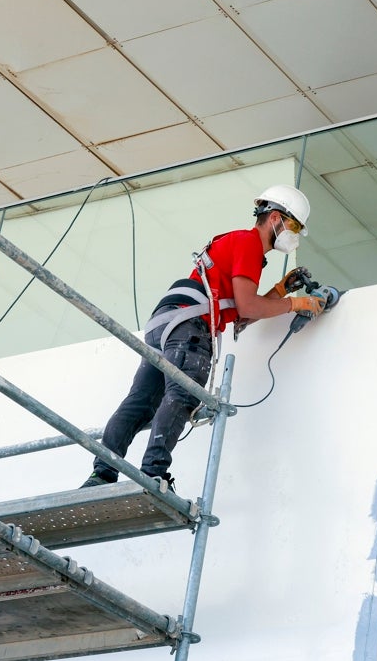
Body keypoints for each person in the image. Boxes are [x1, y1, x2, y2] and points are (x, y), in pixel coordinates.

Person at [81, 184, 323, 489]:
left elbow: (242, 312)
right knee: (182, 395)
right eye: (294, 225)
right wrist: (296, 303)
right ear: (274, 218)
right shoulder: (249, 243)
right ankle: (152, 473)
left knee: (141, 402)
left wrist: (279, 291)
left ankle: (102, 472)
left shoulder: (236, 244)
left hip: (166, 322)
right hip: (189, 327)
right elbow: (248, 305)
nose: (295, 233)